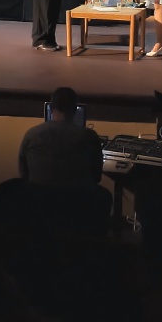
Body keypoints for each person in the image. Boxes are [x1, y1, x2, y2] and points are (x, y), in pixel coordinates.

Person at [16, 87, 109, 232]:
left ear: (51, 107)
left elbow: (24, 173)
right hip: (77, 206)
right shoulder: (89, 136)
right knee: (105, 196)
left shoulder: (31, 134)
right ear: (75, 109)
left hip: (38, 205)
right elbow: (96, 177)